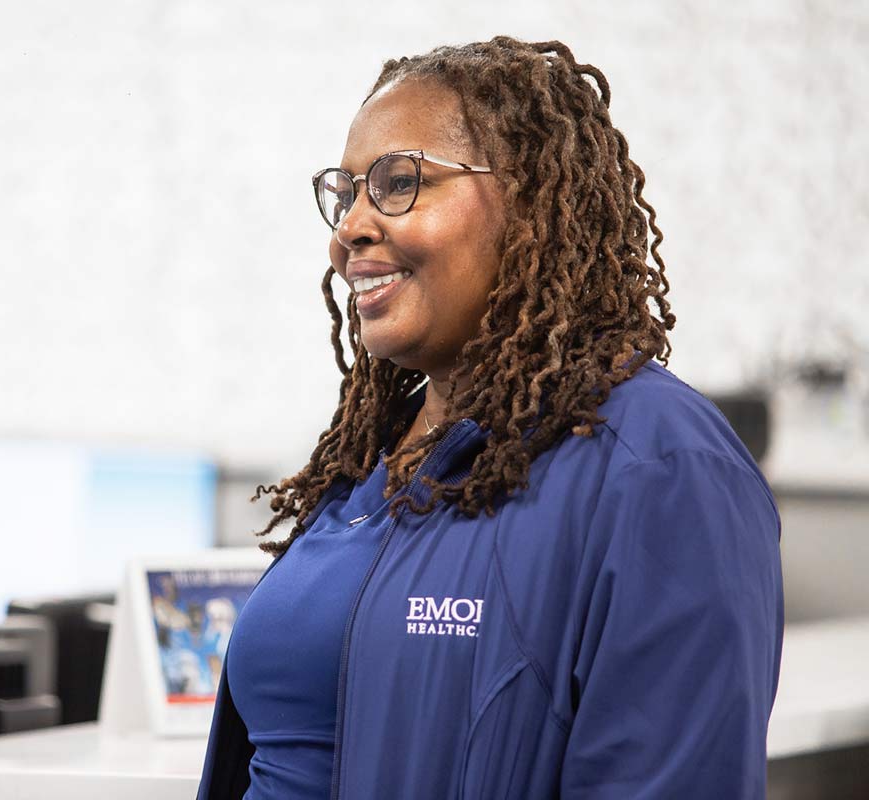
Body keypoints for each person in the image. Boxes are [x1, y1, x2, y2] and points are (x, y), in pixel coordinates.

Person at [197, 37, 784, 800]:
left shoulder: (661, 467)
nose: (351, 231)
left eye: (400, 183)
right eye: (347, 195)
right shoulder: (371, 470)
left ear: (533, 201)